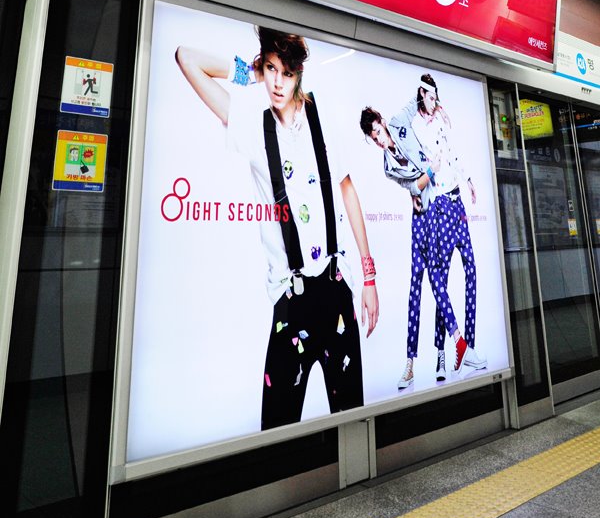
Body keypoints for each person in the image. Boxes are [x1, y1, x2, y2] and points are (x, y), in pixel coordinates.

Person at [176, 27, 379, 430]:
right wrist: (252, 72)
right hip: (291, 299)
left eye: (287, 73)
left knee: (352, 422)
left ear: (299, 74)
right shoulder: (252, 126)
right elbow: (187, 57)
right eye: (271, 69)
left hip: (337, 290)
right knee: (278, 428)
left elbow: (348, 190)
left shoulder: (322, 116)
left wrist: (369, 277)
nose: (277, 83)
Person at [359, 103, 448, 389]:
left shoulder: (400, 123)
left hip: (440, 206)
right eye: (373, 138)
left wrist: (435, 103)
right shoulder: (388, 167)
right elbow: (412, 187)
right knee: (415, 287)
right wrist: (429, 173)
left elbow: (418, 103)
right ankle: (410, 364)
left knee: (439, 283)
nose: (378, 139)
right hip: (420, 215)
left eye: (377, 131)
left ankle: (442, 354)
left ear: (383, 122)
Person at [411, 74, 486, 374]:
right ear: (421, 94)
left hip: (457, 203)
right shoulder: (416, 126)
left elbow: (452, 153)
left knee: (471, 269)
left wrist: (468, 180)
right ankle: (446, 348)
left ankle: (469, 345)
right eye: (430, 97)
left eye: (436, 97)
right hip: (439, 206)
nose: (434, 102)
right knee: (439, 277)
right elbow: (424, 164)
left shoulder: (439, 120)